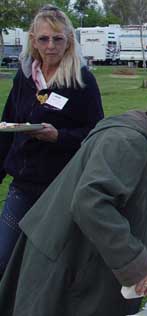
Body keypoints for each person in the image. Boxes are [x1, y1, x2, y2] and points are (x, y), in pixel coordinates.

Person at [0, 85, 147, 315]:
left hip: (85, 266)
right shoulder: (126, 141)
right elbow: (91, 203)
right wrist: (136, 261)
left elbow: (136, 211)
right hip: (65, 269)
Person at [0, 5, 104, 276]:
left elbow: (97, 134)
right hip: (23, 185)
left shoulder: (82, 81)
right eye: (44, 39)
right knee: (4, 258)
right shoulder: (24, 78)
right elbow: (7, 127)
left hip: (62, 188)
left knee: (50, 266)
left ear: (69, 40)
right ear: (33, 40)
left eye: (58, 39)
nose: (51, 46)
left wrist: (59, 136)